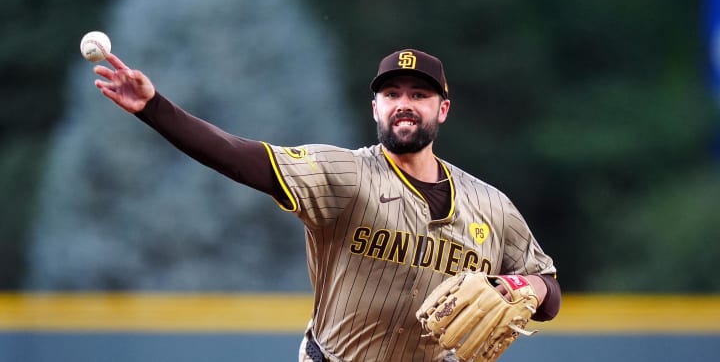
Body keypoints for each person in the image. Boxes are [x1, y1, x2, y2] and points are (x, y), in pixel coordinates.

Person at [93, 48, 561, 362]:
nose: (404, 104)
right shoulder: (344, 174)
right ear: (374, 107)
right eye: (392, 94)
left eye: (419, 95)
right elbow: (241, 159)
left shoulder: (490, 205)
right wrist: (156, 109)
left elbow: (548, 289)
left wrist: (523, 287)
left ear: (442, 109)